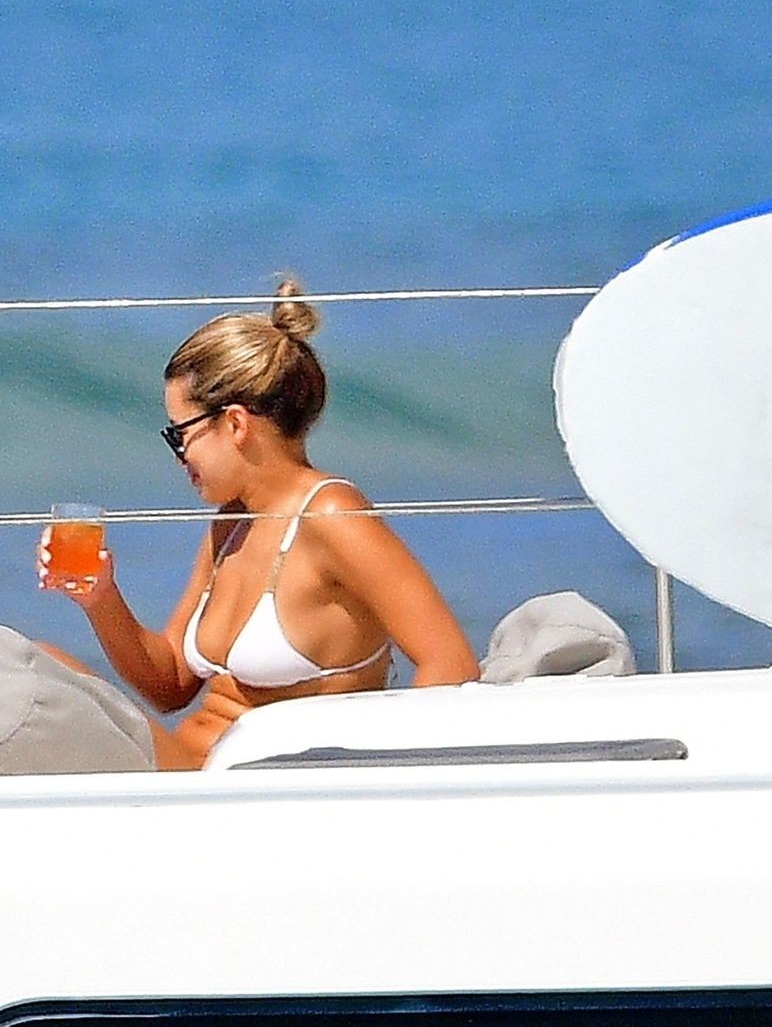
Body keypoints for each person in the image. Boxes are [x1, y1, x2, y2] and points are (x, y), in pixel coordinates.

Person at [38, 279, 479, 769]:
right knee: (32, 664)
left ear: (235, 424)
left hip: (247, 787)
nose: (179, 456)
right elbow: (170, 686)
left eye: (179, 435)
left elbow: (451, 663)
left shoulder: (333, 516)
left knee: (25, 683)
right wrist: (100, 598)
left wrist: (376, 783)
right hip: (192, 772)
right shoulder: (232, 522)